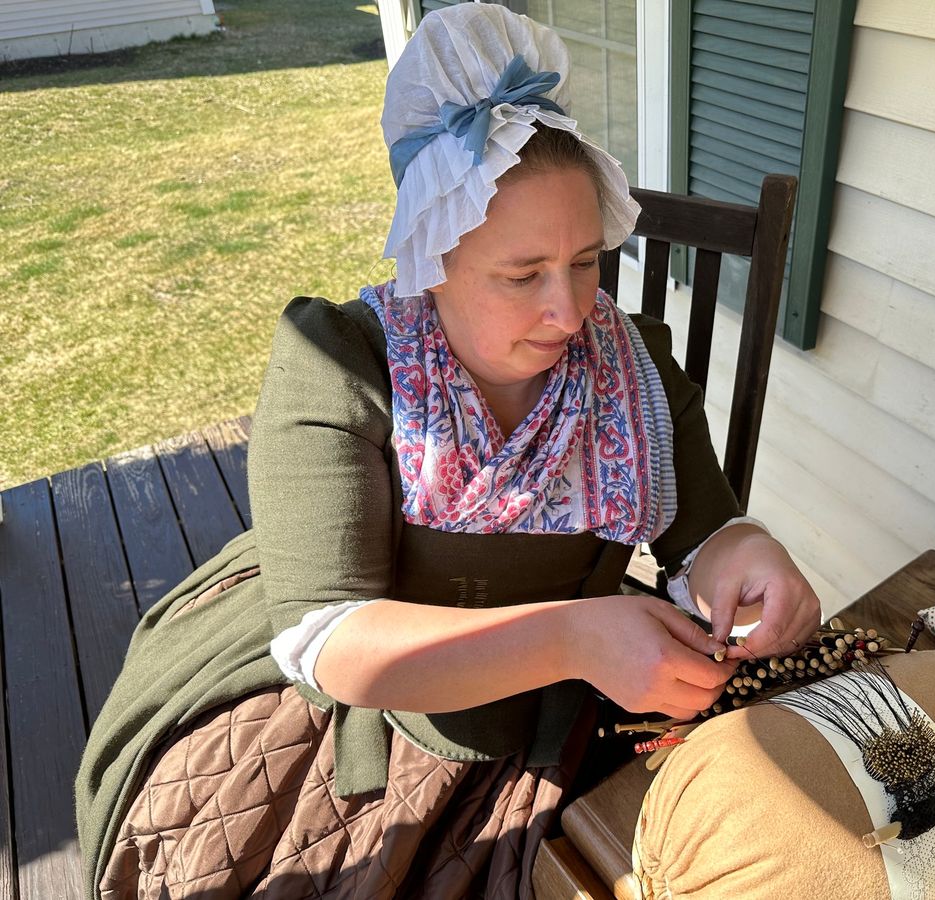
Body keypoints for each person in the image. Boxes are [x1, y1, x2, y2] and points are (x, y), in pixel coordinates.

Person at [76, 5, 821, 898]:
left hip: (572, 695)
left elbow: (706, 533)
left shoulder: (634, 368)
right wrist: (577, 636)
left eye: (587, 261)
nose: (572, 310)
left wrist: (752, 557)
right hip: (362, 717)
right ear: (431, 258)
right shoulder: (345, 364)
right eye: (523, 275)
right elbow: (336, 641)